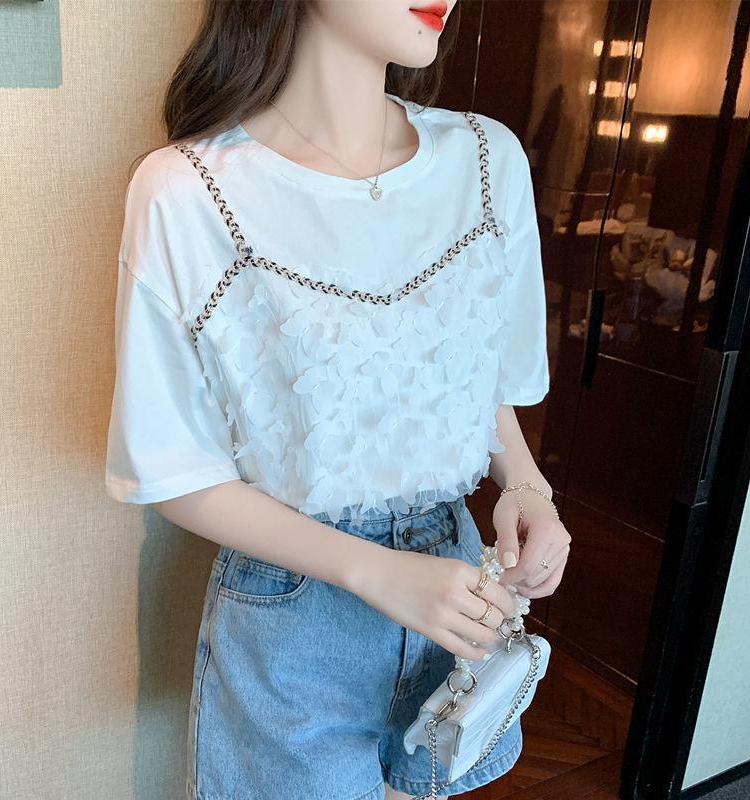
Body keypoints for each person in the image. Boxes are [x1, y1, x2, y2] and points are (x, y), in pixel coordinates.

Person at [104, 1, 572, 798]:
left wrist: (527, 486)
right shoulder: (187, 190)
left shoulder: (487, 160)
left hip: (460, 584)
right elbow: (171, 470)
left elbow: (481, 373)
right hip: (294, 615)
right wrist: (373, 572)